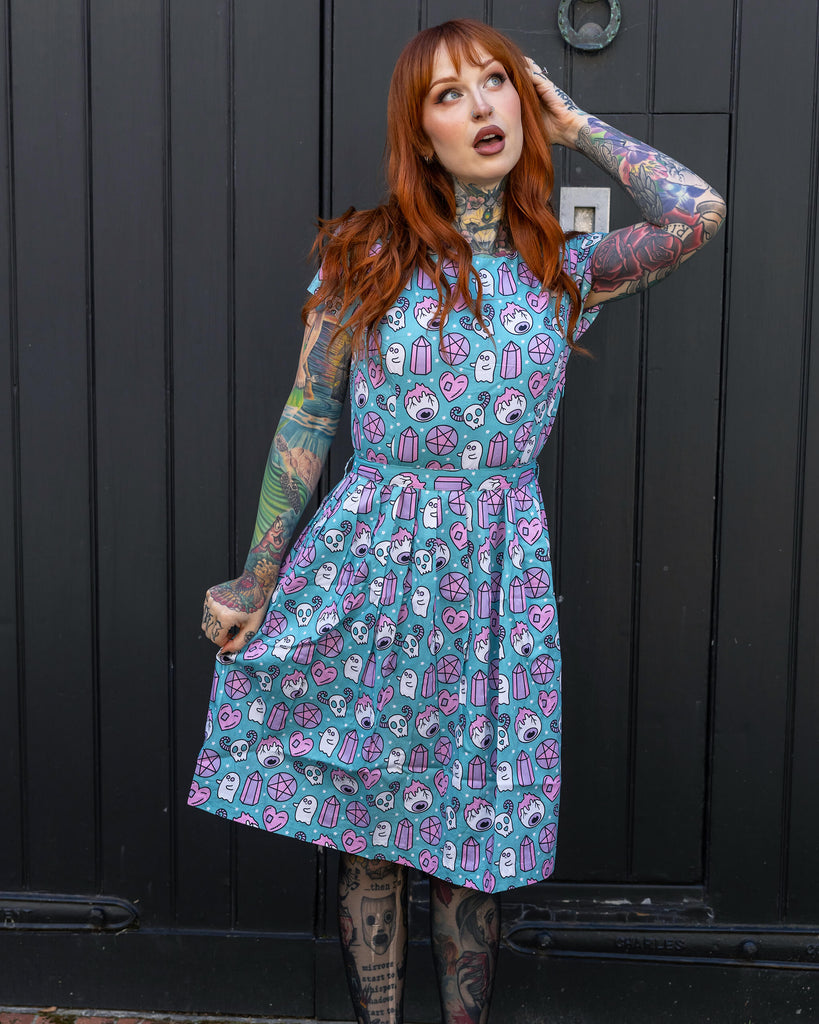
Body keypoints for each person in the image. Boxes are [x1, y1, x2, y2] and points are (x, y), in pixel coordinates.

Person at [191, 19, 725, 1024]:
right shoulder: (366, 255)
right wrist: (255, 579)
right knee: (367, 827)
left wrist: (574, 123)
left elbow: (700, 212)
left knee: (472, 834)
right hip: (372, 563)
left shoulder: (566, 268)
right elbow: (308, 416)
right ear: (417, 132)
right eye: (449, 95)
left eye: (495, 85)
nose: (482, 107)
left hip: (496, 577)